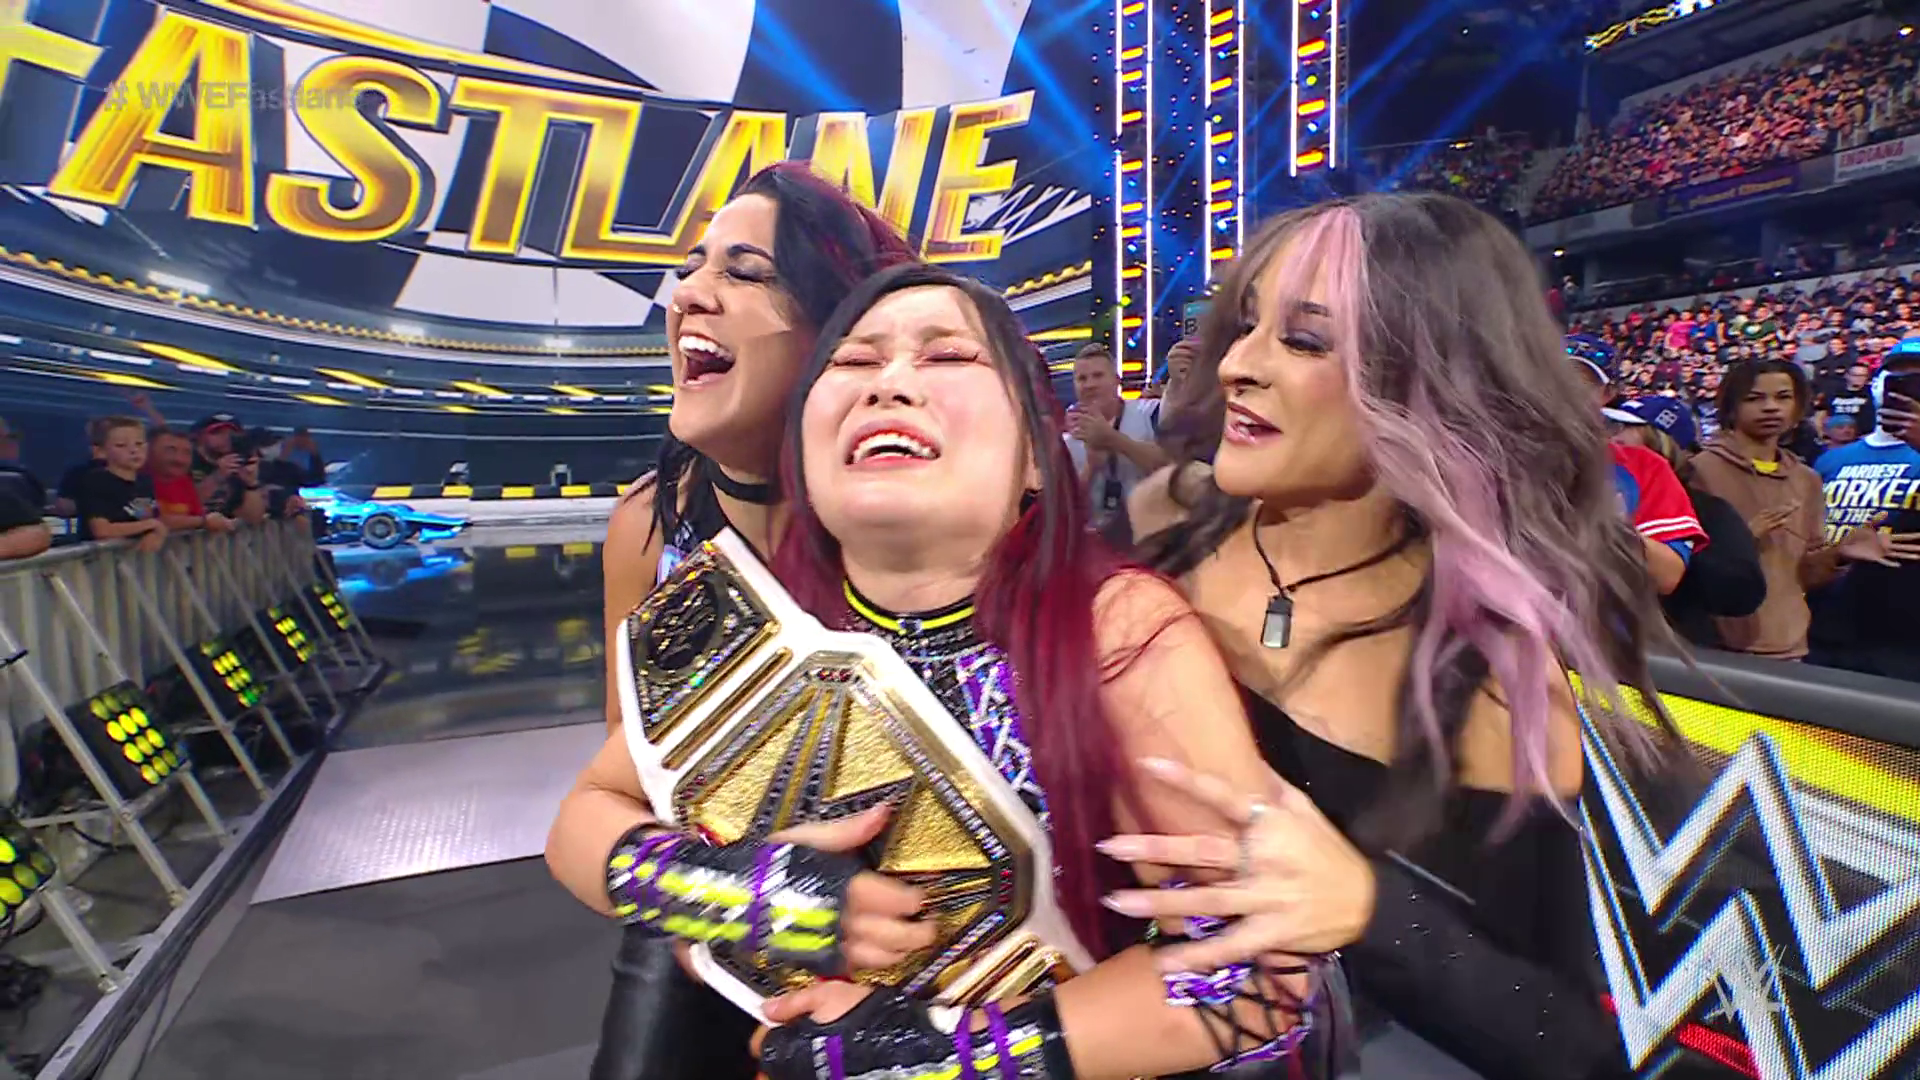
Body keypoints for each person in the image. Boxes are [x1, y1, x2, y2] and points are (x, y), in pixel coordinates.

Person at [551, 262, 1343, 1080]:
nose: (888, 382)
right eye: (854, 361)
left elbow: (1258, 975)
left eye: (948, 356)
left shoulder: (1115, 632)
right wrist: (732, 891)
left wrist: (939, 1056)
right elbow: (584, 816)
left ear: (1036, 456)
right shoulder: (741, 618)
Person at [1116, 193, 1681, 1080]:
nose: (1236, 365)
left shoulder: (1491, 677)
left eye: (1305, 340)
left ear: (1428, 382)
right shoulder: (1165, 519)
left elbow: (1572, 1043)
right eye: (1247, 324)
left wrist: (1364, 907)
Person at [585, 161, 917, 1080]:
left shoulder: (913, 513)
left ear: (838, 329)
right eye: (691, 267)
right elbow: (624, 778)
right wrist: (725, 897)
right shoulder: (650, 527)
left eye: (745, 271)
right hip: (704, 916)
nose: (690, 293)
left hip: (919, 925)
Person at [1689, 360, 1889, 660]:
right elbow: (1682, 569)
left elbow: (1803, 574)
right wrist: (1742, 541)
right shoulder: (1698, 471)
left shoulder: (1806, 479)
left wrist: (1838, 554)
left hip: (1791, 647)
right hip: (1714, 650)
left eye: (1783, 397)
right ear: (1730, 408)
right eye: (1755, 398)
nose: (1771, 407)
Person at [1807, 340, 1920, 679]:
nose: (1903, 389)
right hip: (1827, 625)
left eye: (1916, 381)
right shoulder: (1830, 459)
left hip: (1903, 639)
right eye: (1895, 379)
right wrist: (1837, 553)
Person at [1613, 397, 1766, 646]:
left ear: (1660, 442)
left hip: (1671, 646)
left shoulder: (1706, 509)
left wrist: (1677, 551)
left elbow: (1744, 593)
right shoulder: (1593, 491)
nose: (1615, 438)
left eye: (1626, 428)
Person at [1066, 343, 1167, 543]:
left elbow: (1171, 466)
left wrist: (1112, 439)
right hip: (1096, 544)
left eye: (1098, 375)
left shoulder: (1150, 413)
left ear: (1116, 380)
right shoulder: (1068, 440)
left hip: (1153, 538)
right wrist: (1090, 468)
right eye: (1082, 379)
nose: (1090, 384)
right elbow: (1065, 508)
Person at [73, 417, 167, 552]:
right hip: (98, 558)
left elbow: (151, 518)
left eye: (139, 443)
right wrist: (152, 525)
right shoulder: (96, 481)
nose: (133, 450)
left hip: (133, 558)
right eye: (121, 445)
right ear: (101, 451)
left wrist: (153, 532)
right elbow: (102, 530)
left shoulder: (146, 481)